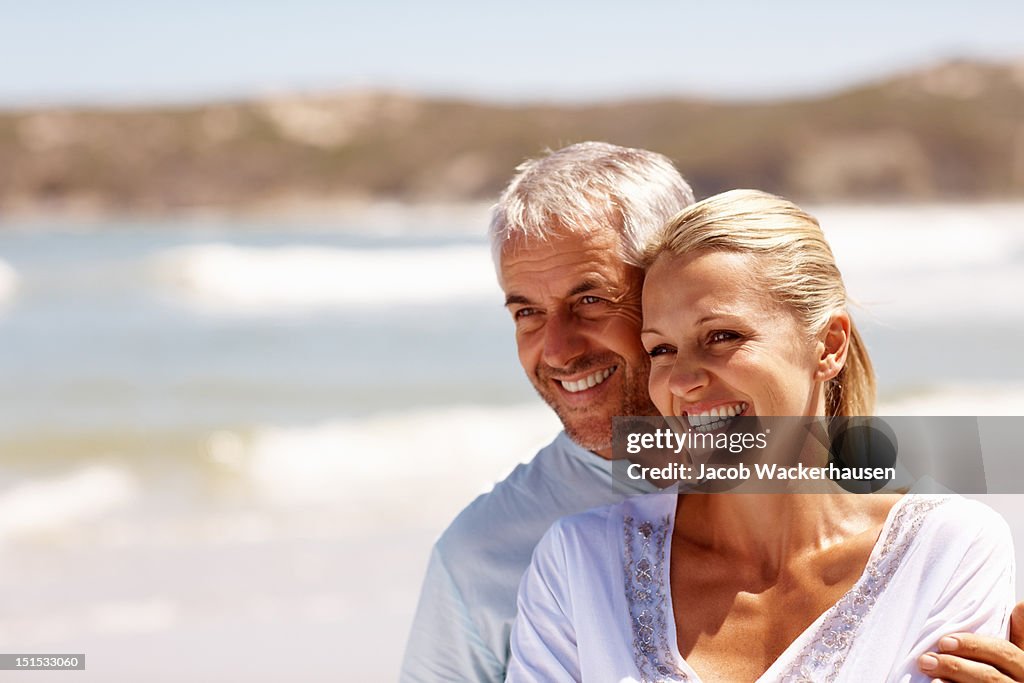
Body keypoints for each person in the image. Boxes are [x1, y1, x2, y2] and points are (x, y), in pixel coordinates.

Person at [400, 143, 1024, 682]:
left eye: (591, 299)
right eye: (525, 311)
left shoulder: (932, 524)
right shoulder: (502, 552)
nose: (557, 348)